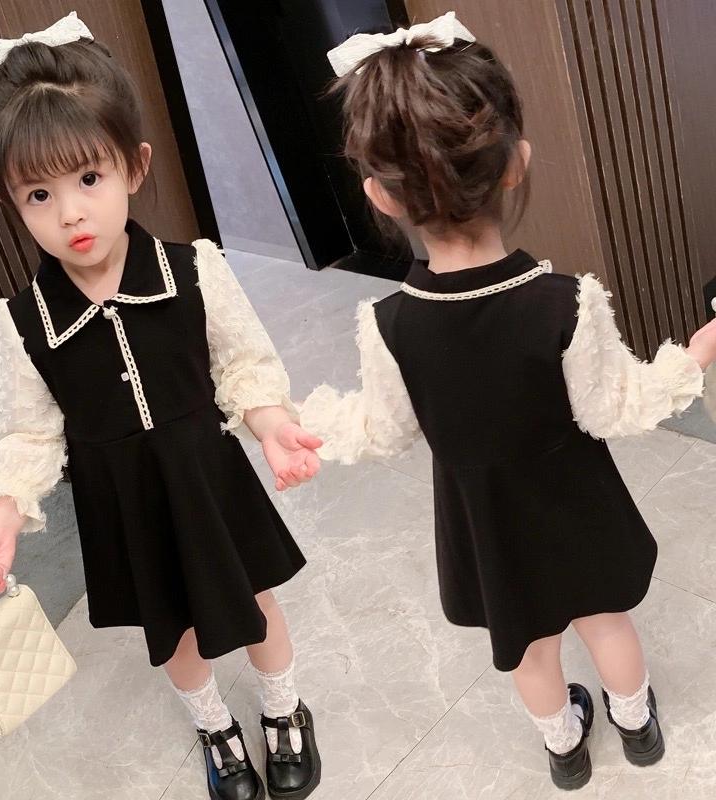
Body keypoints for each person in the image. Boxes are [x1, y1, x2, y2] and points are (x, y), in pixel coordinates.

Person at [298, 11, 716, 790]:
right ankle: (637, 725)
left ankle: (564, 748)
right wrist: (697, 351)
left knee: (529, 646)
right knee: (605, 619)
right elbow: (615, 407)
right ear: (516, 163)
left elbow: (382, 429)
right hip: (575, 503)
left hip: (483, 520)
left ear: (380, 197)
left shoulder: (387, 324)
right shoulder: (564, 302)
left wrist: (305, 424)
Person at [0, 13, 321, 800]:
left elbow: (243, 364)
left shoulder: (194, 270)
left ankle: (284, 709)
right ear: (12, 203)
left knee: (254, 602)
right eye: (39, 194)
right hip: (123, 502)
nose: (70, 213)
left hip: (208, 479)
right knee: (174, 632)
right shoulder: (21, 323)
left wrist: (272, 425)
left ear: (134, 166)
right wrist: (5, 512)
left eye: (89, 179)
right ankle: (214, 727)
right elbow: (26, 432)